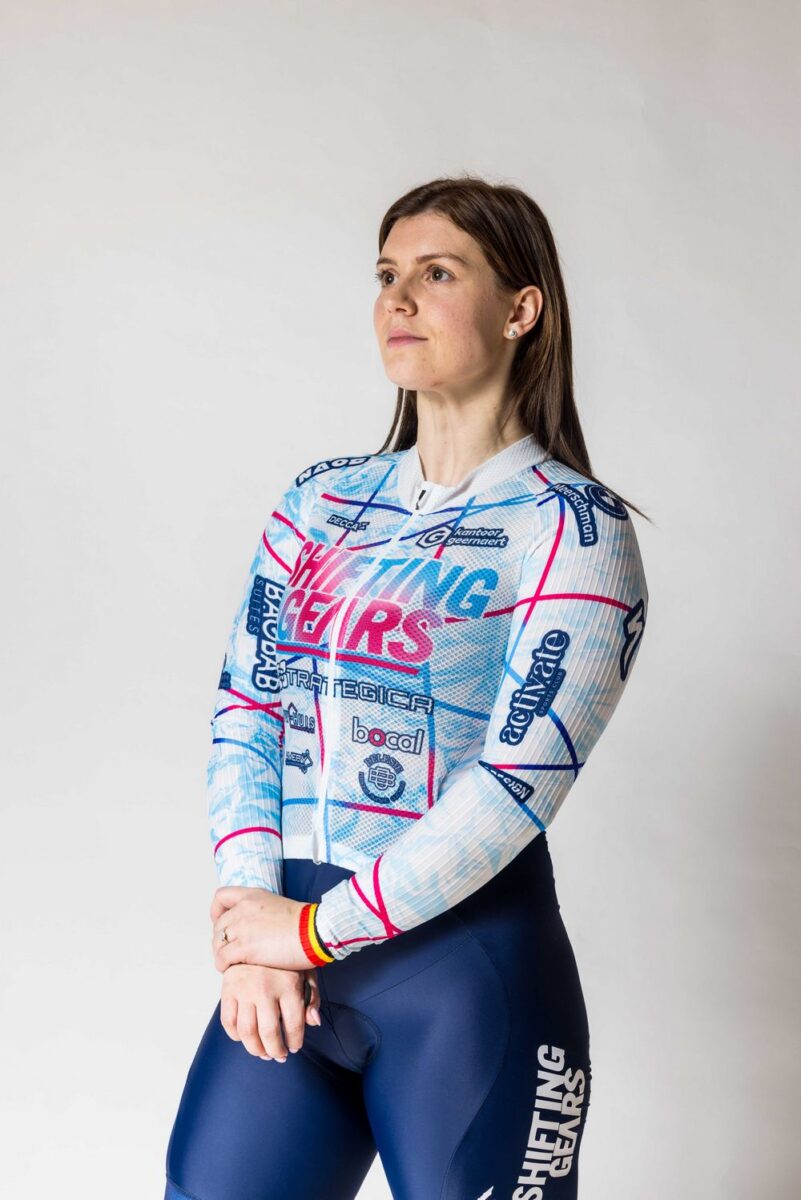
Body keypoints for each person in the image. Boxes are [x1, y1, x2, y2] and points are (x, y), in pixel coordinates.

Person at [163, 174, 650, 1200]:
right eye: (387, 274)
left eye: (437, 274)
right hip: (285, 968)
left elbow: (514, 786)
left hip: (465, 982)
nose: (398, 298)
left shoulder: (572, 528)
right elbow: (248, 712)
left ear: (521, 310)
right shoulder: (320, 499)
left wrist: (309, 932)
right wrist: (253, 929)